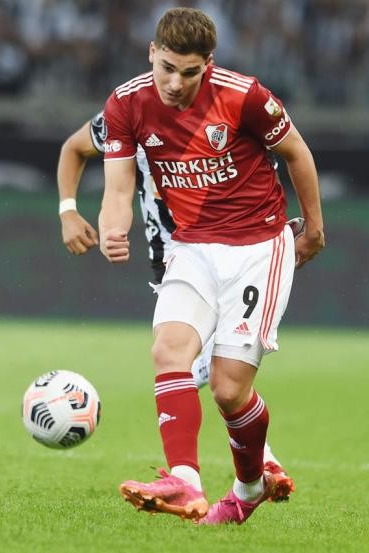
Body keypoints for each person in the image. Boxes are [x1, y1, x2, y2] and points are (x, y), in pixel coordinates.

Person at [97, 8, 325, 525]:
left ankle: (249, 488)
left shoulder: (245, 97)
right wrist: (113, 227)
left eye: (190, 72)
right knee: (168, 349)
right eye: (167, 68)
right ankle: (184, 480)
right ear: (151, 53)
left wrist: (313, 227)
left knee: (228, 389)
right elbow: (118, 188)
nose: (176, 83)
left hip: (257, 247)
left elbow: (297, 153)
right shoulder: (126, 103)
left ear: (209, 64)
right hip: (192, 246)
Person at [57, 112, 300, 502]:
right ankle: (253, 469)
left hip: (234, 252)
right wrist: (68, 210)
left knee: (214, 374)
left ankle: (239, 473)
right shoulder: (129, 114)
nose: (172, 87)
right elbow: (74, 147)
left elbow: (284, 152)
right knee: (200, 368)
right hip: (176, 259)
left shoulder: (225, 109)